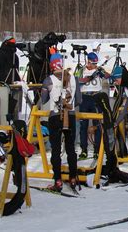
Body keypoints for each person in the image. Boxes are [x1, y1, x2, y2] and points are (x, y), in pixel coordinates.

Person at [41, 53, 81, 191]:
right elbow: (79, 100)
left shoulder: (48, 80)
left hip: (55, 116)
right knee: (71, 149)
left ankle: (57, 179)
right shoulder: (74, 78)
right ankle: (73, 177)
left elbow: (44, 100)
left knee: (56, 150)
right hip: (70, 115)